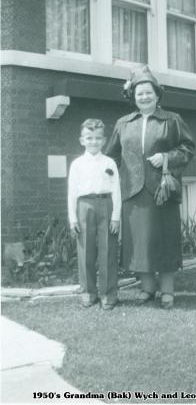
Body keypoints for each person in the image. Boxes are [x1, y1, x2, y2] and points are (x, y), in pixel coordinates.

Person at [106, 65, 194, 309]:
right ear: (133, 97)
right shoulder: (123, 123)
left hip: (161, 192)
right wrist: (113, 179)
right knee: (138, 243)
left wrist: (167, 157)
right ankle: (148, 288)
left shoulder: (172, 120)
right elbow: (111, 156)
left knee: (164, 241)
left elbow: (188, 148)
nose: (144, 97)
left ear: (157, 95)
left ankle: (167, 291)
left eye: (148, 92)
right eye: (139, 93)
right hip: (132, 192)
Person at [68, 119, 121, 310]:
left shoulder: (109, 162)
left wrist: (116, 215)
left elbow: (116, 190)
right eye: (89, 138)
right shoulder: (77, 164)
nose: (93, 142)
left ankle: (108, 295)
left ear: (104, 140)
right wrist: (73, 218)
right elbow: (72, 192)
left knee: (108, 250)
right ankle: (88, 293)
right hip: (84, 206)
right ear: (82, 140)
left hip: (106, 205)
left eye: (98, 138)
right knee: (85, 251)